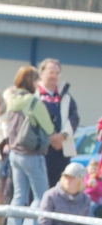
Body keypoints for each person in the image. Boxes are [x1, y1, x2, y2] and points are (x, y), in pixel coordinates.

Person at [4, 65, 54, 225]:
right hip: (32, 154)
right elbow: (48, 127)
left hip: (15, 154)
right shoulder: (34, 102)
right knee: (41, 196)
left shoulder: (11, 101)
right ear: (31, 81)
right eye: (36, 79)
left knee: (18, 195)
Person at [37, 58, 79, 188]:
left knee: (59, 188)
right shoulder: (34, 95)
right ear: (41, 73)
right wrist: (49, 138)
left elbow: (74, 118)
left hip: (60, 150)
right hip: (39, 151)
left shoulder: (66, 97)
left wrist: (62, 136)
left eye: (57, 73)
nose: (54, 76)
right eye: (51, 72)